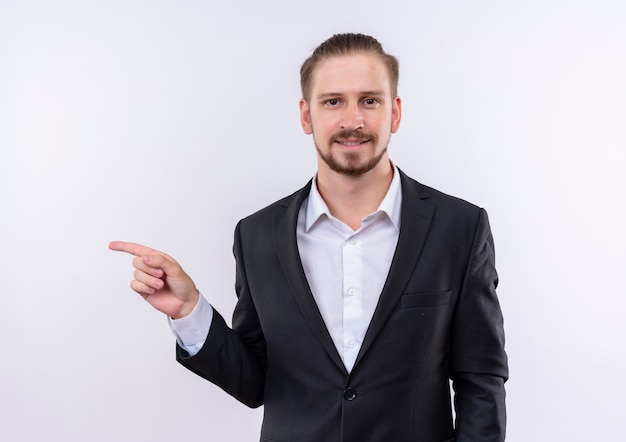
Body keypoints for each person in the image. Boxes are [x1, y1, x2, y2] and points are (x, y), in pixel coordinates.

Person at [110, 33, 508, 441]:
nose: (351, 120)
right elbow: (255, 383)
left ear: (395, 113)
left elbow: (481, 382)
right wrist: (190, 311)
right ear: (306, 115)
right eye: (332, 101)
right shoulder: (257, 235)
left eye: (369, 101)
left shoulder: (459, 226)